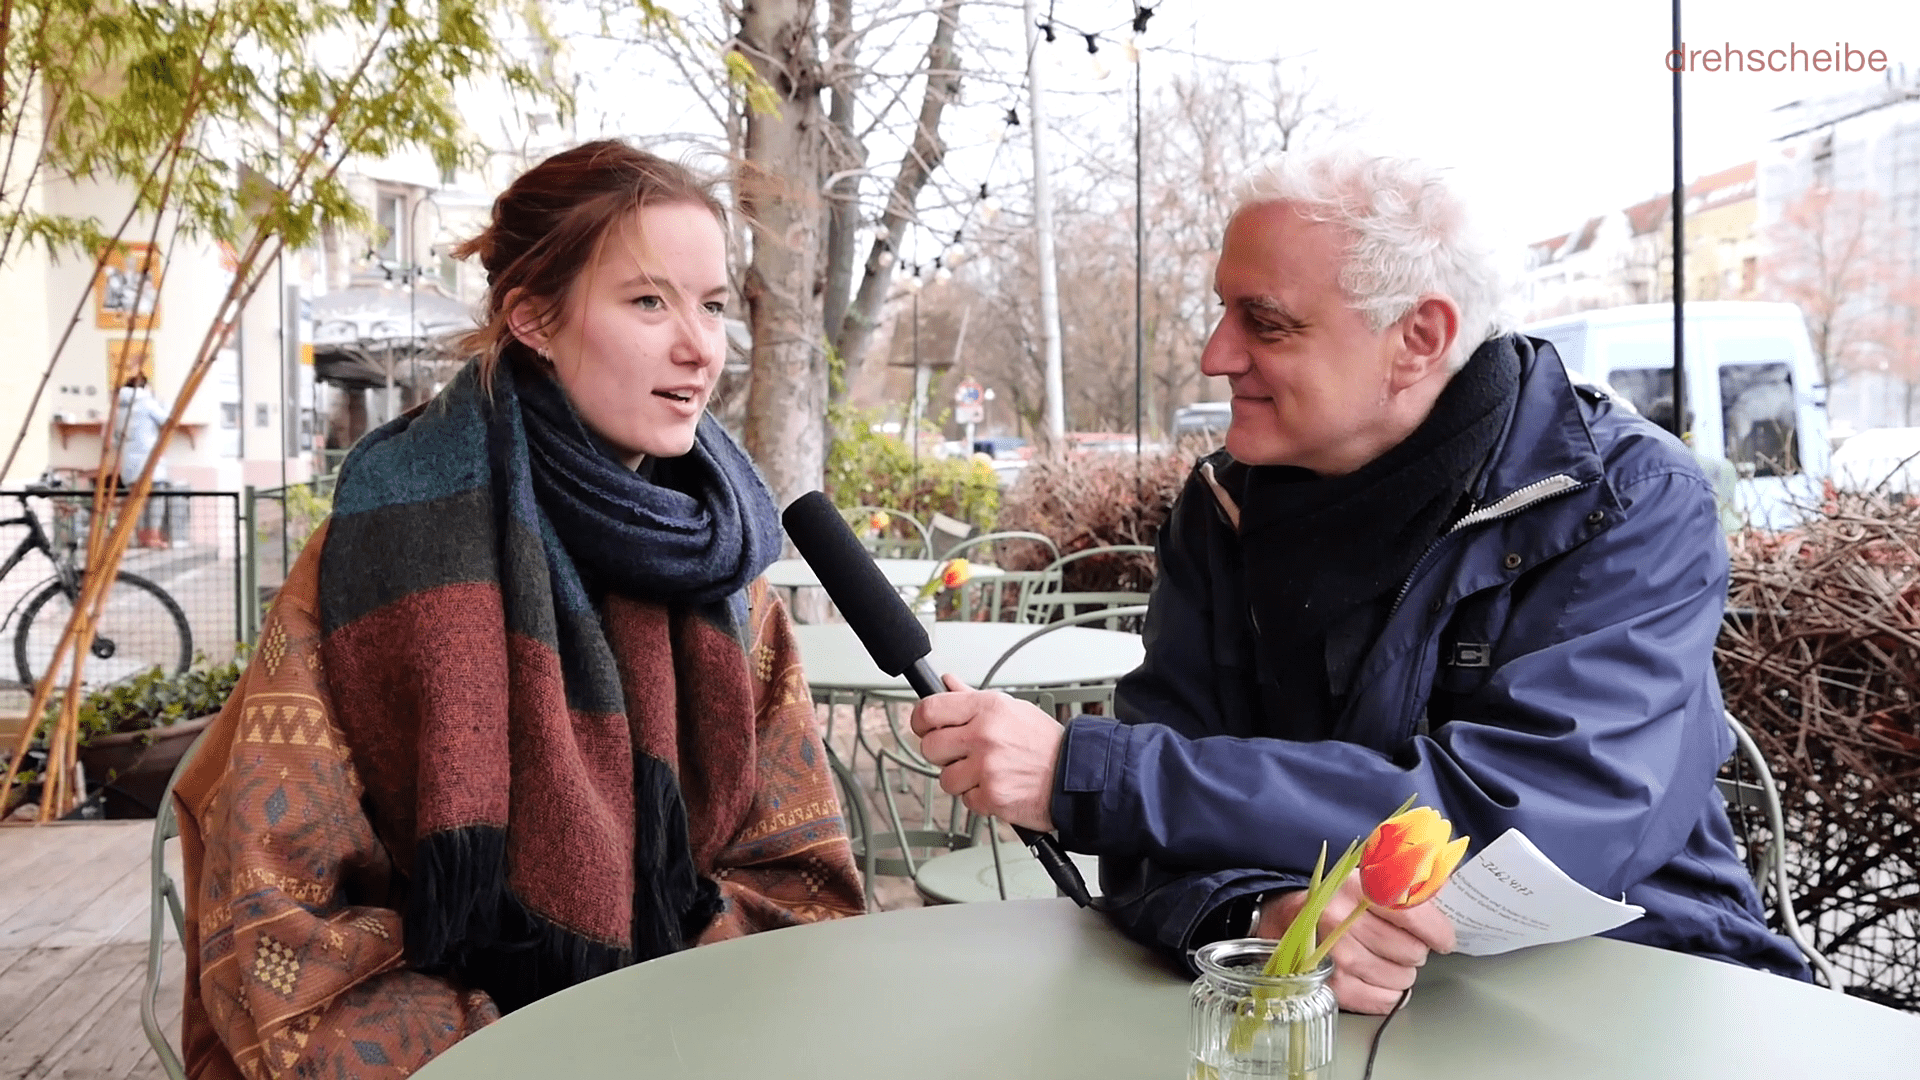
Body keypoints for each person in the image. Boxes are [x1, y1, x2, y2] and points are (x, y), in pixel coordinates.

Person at [910, 148, 1810, 1014]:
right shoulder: (1220, 506)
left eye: (1266, 322)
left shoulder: (1626, 500)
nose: (1216, 354)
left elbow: (1513, 829)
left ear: (1419, 337)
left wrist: (1097, 775)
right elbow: (1160, 848)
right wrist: (1262, 919)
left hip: (1639, 996)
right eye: (1222, 311)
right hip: (1347, 1019)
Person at [173, 141, 864, 1078]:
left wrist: (653, 1025)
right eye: (648, 301)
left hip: (687, 1045)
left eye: (711, 305)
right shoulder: (377, 553)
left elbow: (798, 879)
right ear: (533, 317)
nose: (700, 348)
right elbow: (278, 922)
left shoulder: (727, 573)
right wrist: (543, 1048)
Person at [114, 371, 173, 547]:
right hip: (149, 459)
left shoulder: (118, 408)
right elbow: (165, 420)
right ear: (145, 387)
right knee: (157, 495)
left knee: (135, 499)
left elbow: (115, 439)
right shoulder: (147, 403)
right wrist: (165, 404)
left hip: (129, 462)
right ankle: (153, 536)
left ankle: (138, 536)